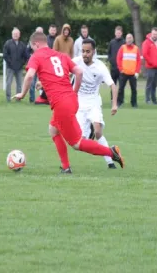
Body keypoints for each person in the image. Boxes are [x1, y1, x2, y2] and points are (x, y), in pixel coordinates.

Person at [12, 32, 124, 173]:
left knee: (77, 143)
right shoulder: (60, 55)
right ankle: (65, 167)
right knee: (53, 130)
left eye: (32, 47)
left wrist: (22, 94)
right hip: (71, 100)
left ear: (36, 44)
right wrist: (74, 93)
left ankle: (111, 152)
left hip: (62, 104)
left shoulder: (36, 56)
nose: (32, 50)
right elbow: (79, 72)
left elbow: (29, 76)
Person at [72, 38, 119, 168]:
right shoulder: (76, 62)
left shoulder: (100, 67)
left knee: (98, 131)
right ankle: (90, 131)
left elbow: (113, 86)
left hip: (93, 102)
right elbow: (61, 71)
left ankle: (110, 162)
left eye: (88, 51)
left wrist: (114, 104)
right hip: (79, 103)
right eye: (83, 51)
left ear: (93, 52)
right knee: (79, 143)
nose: (85, 54)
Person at [3, 27, 28, 102]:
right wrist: (10, 63)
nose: (15, 35)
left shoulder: (22, 45)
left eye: (17, 34)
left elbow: (25, 56)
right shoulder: (8, 43)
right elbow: (5, 55)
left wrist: (22, 63)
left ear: (19, 35)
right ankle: (8, 99)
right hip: (10, 68)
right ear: (12, 34)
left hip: (19, 68)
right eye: (14, 34)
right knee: (8, 83)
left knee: (19, 84)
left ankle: (18, 98)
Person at [116, 33, 141, 108]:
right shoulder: (122, 48)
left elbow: (138, 61)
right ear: (126, 39)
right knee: (121, 88)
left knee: (134, 89)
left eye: (130, 38)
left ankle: (134, 103)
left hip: (133, 73)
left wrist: (137, 71)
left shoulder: (136, 48)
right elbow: (118, 59)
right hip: (124, 72)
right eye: (127, 38)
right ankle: (119, 102)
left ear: (132, 39)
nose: (129, 39)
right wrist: (121, 69)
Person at [142, 27, 157, 105]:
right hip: (150, 67)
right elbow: (145, 54)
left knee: (155, 84)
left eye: (156, 34)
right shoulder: (146, 43)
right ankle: (147, 99)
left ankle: (154, 99)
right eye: (154, 34)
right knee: (149, 84)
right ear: (151, 33)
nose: (155, 36)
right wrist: (151, 62)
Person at [107, 26, 125, 94]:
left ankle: (120, 100)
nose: (118, 34)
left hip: (121, 68)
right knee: (113, 84)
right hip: (113, 68)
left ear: (121, 33)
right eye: (117, 33)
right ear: (115, 33)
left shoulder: (124, 43)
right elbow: (109, 53)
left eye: (119, 33)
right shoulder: (112, 42)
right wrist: (110, 60)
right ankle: (112, 98)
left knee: (121, 85)